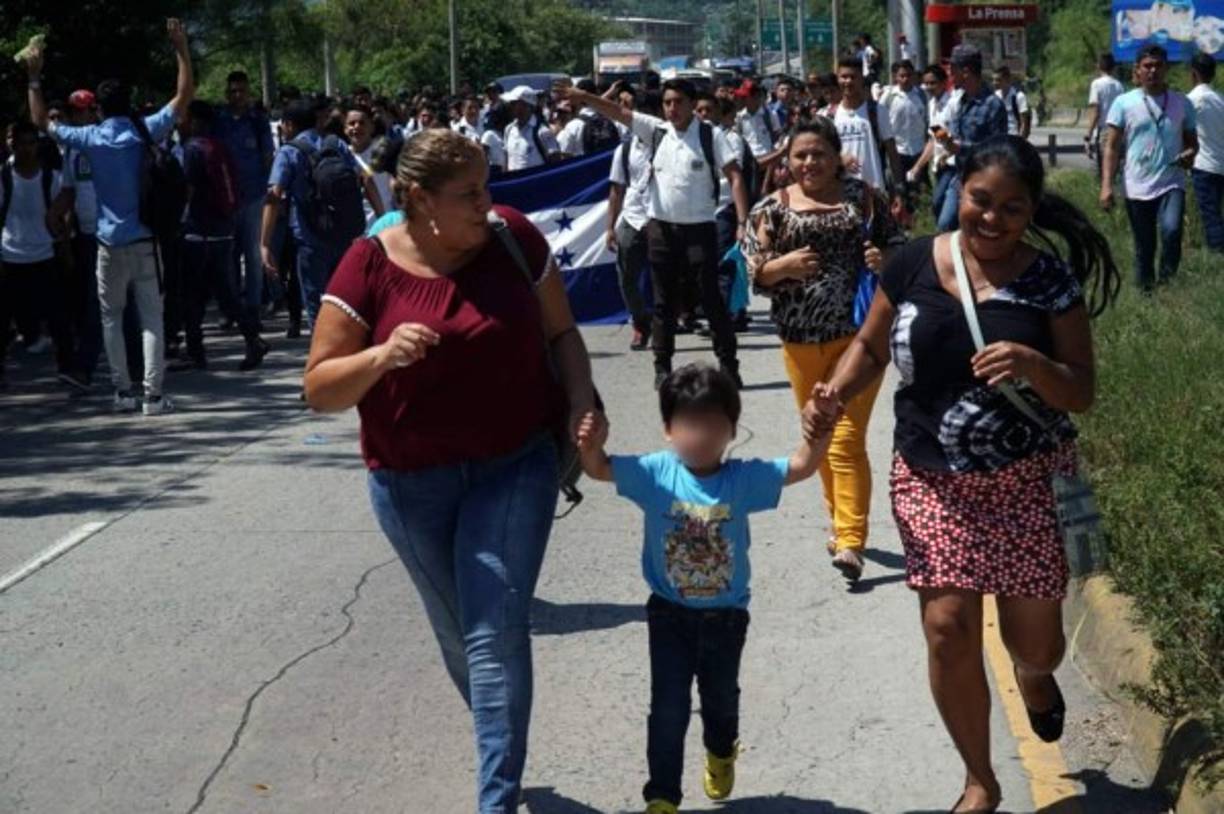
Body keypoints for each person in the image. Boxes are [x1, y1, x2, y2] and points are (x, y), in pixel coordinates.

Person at [810, 135, 1120, 814]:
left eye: (1012, 207)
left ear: (1031, 210)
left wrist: (1035, 366)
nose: (992, 218)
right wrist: (834, 394)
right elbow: (868, 345)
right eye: (981, 200)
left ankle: (1035, 680)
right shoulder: (915, 261)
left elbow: (1081, 391)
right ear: (959, 192)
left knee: (1032, 644)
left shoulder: (1050, 282)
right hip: (932, 477)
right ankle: (980, 779)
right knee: (948, 626)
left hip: (1027, 483)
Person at [303, 128, 596, 814]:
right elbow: (319, 387)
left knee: (496, 631)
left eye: (488, 187)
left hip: (514, 466)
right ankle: (504, 743)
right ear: (416, 199)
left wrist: (583, 403)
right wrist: (380, 357)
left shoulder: (513, 239)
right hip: (410, 483)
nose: (487, 205)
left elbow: (563, 334)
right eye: (468, 194)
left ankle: (495, 799)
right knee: (462, 636)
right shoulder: (367, 264)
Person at [574, 363, 827, 814]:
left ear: (731, 429)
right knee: (667, 709)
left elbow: (802, 466)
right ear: (669, 429)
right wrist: (591, 447)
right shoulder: (655, 472)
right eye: (690, 424)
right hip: (668, 613)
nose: (702, 435)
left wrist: (819, 428)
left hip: (726, 618)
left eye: (714, 425)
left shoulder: (743, 479)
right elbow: (599, 470)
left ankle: (721, 749)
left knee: (720, 701)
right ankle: (662, 796)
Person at [742, 118, 905, 582]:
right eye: (800, 155)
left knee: (846, 439)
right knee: (821, 436)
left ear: (837, 157)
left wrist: (884, 259)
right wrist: (780, 267)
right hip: (799, 343)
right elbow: (751, 268)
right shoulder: (770, 209)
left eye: (818, 154)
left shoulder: (862, 199)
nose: (809, 162)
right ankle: (840, 526)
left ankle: (851, 540)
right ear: (787, 162)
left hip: (859, 339)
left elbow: (900, 247)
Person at [25, 18, 194, 416]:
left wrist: (34, 78)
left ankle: (122, 392)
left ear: (98, 108)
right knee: (152, 317)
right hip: (144, 238)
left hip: (105, 241)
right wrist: (181, 48)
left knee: (111, 319)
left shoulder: (90, 138)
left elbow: (41, 123)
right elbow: (184, 95)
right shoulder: (144, 130)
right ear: (129, 102)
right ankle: (153, 396)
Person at [564, 79, 752, 389]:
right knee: (664, 302)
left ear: (692, 104)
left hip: (700, 230)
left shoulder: (711, 135)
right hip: (661, 230)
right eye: (667, 103)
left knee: (712, 299)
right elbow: (617, 113)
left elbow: (734, 177)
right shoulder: (656, 130)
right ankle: (662, 367)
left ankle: (729, 366)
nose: (673, 109)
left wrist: (743, 222)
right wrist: (584, 97)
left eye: (679, 102)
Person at [261, 99, 385, 329]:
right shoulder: (335, 143)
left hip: (309, 238)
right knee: (344, 298)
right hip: (343, 234)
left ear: (288, 125)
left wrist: (265, 244)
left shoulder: (289, 152)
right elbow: (365, 179)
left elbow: (274, 195)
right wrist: (383, 216)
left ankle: (324, 353)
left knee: (316, 303)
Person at [179, 100, 268, 371]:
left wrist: (177, 220)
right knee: (221, 293)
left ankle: (203, 350)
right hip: (222, 229)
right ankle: (247, 340)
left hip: (198, 231)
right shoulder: (219, 147)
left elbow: (189, 191)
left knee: (194, 295)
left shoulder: (192, 150)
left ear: (194, 121)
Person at [1100, 44, 1198, 292]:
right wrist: (1106, 187)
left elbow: (1192, 143)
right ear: (1138, 70)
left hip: (1171, 181)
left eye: (1158, 65)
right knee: (1145, 245)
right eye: (1147, 66)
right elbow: (1111, 147)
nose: (1153, 71)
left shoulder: (1182, 103)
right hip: (1136, 185)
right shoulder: (1123, 103)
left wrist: (1189, 154)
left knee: (1172, 230)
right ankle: (1147, 292)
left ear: (1166, 68)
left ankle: (1167, 284)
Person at [0, 121, 76, 388]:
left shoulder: (50, 178)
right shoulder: (3, 177)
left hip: (44, 255)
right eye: (22, 143)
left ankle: (68, 369)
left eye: (32, 143)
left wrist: (65, 250)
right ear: (13, 144)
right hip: (10, 256)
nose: (27, 148)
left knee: (58, 319)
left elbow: (62, 217)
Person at [215, 70, 275, 332]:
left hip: (253, 196)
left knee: (252, 255)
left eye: (242, 91)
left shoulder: (258, 120)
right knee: (227, 257)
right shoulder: (219, 120)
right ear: (227, 93)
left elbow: (267, 157)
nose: (238, 96)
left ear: (249, 92)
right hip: (225, 198)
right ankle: (230, 310)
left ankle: (253, 309)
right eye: (233, 91)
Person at [932, 44, 1008, 231]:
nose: (950, 75)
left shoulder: (993, 105)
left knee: (963, 227)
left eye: (952, 70)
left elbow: (998, 149)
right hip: (960, 176)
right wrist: (948, 143)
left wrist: (961, 147)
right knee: (945, 224)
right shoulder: (962, 101)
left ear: (965, 72)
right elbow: (958, 138)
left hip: (983, 180)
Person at [608, 102, 654, 352]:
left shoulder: (666, 143)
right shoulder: (624, 150)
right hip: (632, 216)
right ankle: (639, 321)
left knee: (665, 276)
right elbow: (616, 190)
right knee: (626, 276)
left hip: (660, 217)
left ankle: (663, 321)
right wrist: (609, 227)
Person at [832, 57, 905, 208]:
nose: (848, 81)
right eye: (844, 77)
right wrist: (839, 160)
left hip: (875, 192)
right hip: (840, 194)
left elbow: (892, 151)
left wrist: (898, 189)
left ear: (861, 79)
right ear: (837, 79)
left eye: (853, 77)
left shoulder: (878, 111)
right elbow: (822, 155)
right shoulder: (829, 116)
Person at [1188, 53, 1224, 254]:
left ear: (1193, 73)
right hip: (1221, 164)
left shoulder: (1192, 99)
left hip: (1204, 165)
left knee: (1210, 214)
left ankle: (1217, 253)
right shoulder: (1220, 99)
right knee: (1217, 211)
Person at [877, 60, 928, 185]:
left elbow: (927, 120)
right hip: (897, 151)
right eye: (902, 76)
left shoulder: (922, 95)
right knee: (898, 188)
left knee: (919, 190)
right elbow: (881, 120)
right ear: (895, 77)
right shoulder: (888, 96)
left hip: (918, 150)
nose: (905, 79)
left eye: (909, 75)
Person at [344, 104, 394, 227]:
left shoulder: (385, 152)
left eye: (362, 123)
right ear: (345, 129)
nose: (357, 127)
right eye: (352, 123)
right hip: (356, 231)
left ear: (371, 127)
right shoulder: (342, 156)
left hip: (384, 226)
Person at [502, 85, 560, 171]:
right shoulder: (509, 129)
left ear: (526, 105)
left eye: (514, 103)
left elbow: (555, 162)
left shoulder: (542, 132)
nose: (510, 105)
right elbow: (507, 159)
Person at [1084, 53, 1124, 176]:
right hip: (1118, 130)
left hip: (1103, 131)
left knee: (1103, 171)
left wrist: (1088, 134)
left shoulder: (1096, 84)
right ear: (1113, 67)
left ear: (1099, 66)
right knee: (1115, 170)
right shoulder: (1119, 85)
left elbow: (1095, 111)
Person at [992, 66, 1032, 139]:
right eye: (993, 80)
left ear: (1007, 80)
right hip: (999, 137)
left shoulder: (1019, 96)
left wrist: (1020, 141)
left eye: (998, 80)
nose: (995, 83)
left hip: (1014, 137)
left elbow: (1024, 123)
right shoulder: (995, 96)